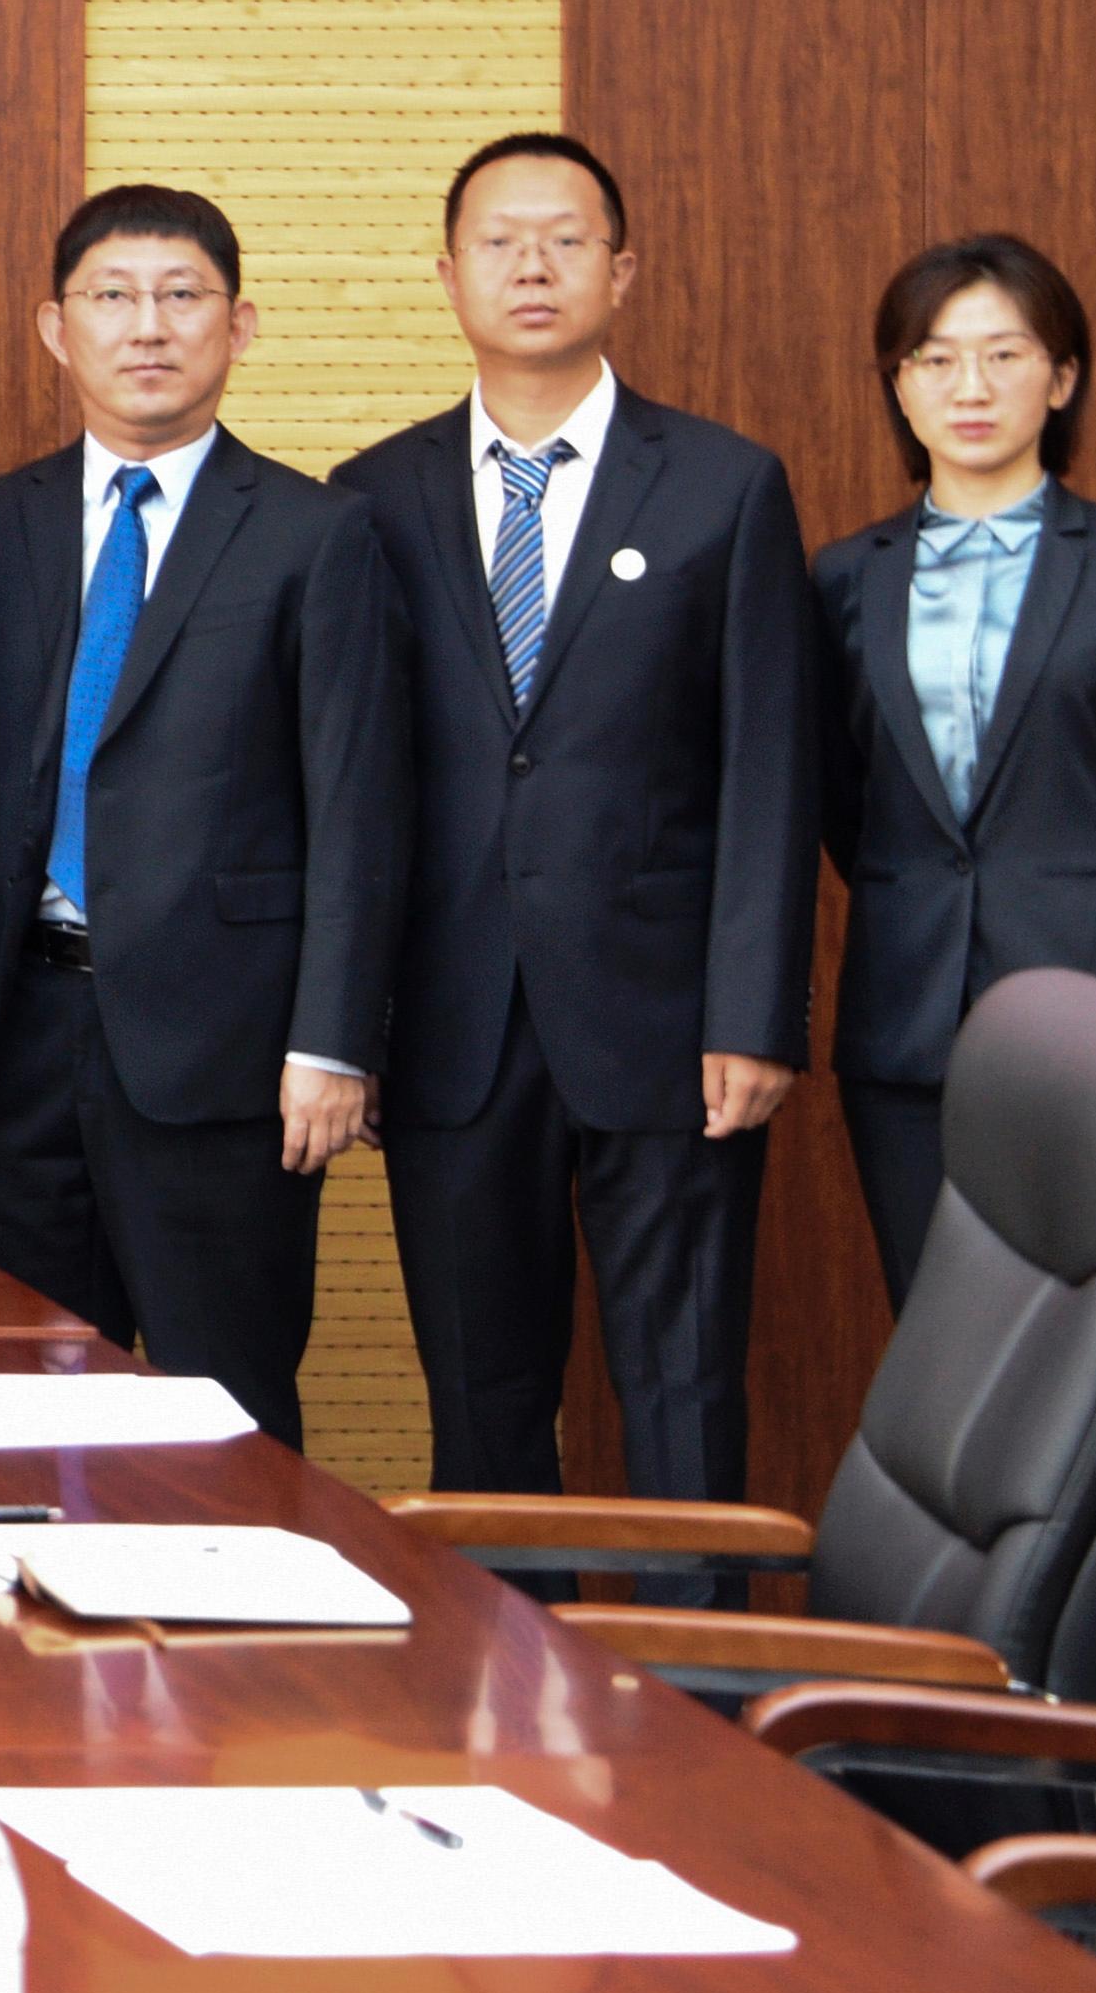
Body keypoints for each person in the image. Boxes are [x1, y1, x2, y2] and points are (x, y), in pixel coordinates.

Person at [334, 131, 818, 1504]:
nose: (531, 266)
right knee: (479, 1400)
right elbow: (354, 786)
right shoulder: (370, 499)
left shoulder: (724, 485)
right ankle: (500, 1652)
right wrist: (354, 1021)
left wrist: (753, 1013)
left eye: (564, 238)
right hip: (450, 1025)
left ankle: (693, 1647)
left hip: (670, 1027)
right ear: (448, 277)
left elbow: (769, 768)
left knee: (683, 1387)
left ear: (622, 269)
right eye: (498, 241)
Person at [0, 187, 407, 1446]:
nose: (146, 326)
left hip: (230, 1051)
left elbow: (357, 806)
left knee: (227, 1407)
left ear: (238, 326)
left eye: (181, 295)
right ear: (55, 329)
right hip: (16, 1037)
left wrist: (333, 1042)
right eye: (111, 296)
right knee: (23, 1407)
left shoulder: (316, 534)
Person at [807, 231, 1096, 1309]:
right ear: (898, 384)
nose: (971, 387)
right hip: (904, 1018)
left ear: (1062, 377)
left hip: (1091, 1013)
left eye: (1004, 354)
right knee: (935, 1320)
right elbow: (842, 799)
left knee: (1080, 1329)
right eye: (936, 359)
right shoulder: (843, 580)